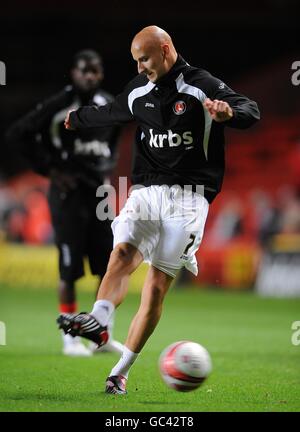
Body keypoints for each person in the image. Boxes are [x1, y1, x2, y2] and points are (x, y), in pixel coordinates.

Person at [57, 26, 260, 393]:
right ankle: (100, 320)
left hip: (190, 198)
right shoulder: (139, 91)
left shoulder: (202, 86)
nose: (140, 67)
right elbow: (112, 112)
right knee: (121, 253)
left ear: (165, 50)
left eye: (145, 59)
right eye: (136, 60)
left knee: (155, 289)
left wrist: (229, 113)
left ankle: (120, 371)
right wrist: (77, 118)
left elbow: (250, 108)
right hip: (147, 190)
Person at [6, 49, 124, 357]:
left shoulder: (109, 105)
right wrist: (51, 169)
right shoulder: (59, 105)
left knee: (107, 266)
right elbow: (18, 134)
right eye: (84, 70)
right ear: (73, 73)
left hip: (99, 193)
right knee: (69, 270)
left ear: (101, 74)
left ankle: (101, 335)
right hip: (67, 194)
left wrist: (107, 164)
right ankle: (69, 339)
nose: (90, 76)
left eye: (95, 71)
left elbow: (115, 139)